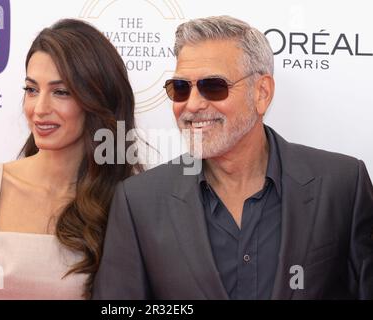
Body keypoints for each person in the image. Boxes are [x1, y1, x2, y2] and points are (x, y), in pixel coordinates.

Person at [92, 15, 373, 299]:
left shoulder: (342, 185)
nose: (192, 104)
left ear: (261, 93)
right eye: (180, 88)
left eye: (213, 86)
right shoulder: (139, 201)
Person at [0, 18, 141, 300]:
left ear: (96, 100)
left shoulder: (124, 204)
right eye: (32, 90)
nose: (39, 108)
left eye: (61, 92)